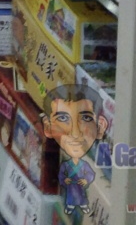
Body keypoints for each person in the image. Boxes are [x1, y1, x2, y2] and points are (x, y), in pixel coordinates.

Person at [43, 83, 107, 220]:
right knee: (70, 202)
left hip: (81, 190)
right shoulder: (66, 163)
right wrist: (64, 179)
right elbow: (61, 174)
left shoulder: (85, 164)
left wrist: (86, 180)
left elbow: (90, 174)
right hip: (70, 190)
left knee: (82, 202)